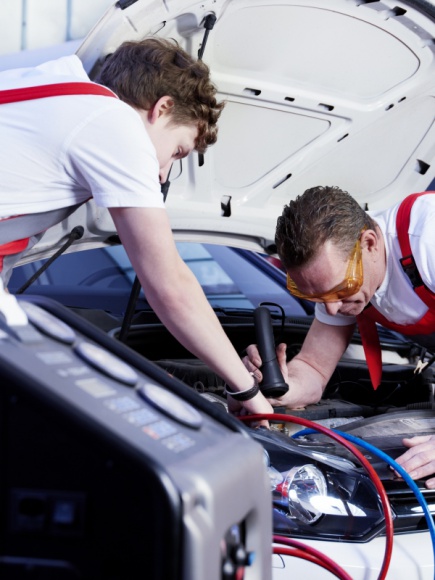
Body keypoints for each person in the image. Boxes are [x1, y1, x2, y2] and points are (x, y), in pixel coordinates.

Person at [0, 38, 273, 419]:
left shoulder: (45, 91)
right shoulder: (114, 123)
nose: (162, 173)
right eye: (177, 151)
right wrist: (249, 393)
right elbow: (170, 285)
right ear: (162, 108)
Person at [243, 185, 435, 487]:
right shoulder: (341, 275)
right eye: (317, 297)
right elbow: (314, 368)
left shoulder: (427, 238)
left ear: (369, 243)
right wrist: (281, 386)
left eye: (340, 290)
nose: (332, 310)